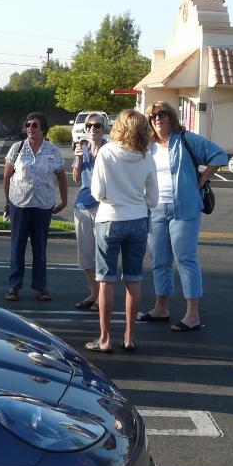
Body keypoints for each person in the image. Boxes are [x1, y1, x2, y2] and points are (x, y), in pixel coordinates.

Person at [138, 100, 227, 332]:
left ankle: (192, 315)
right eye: (153, 115)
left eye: (162, 114)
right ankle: (161, 307)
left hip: (184, 208)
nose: (158, 119)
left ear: (171, 117)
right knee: (159, 259)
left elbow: (219, 156)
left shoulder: (187, 139)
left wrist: (201, 180)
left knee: (186, 260)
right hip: (155, 208)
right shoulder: (148, 145)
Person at [85, 110, 158, 354]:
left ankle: (104, 339)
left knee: (106, 280)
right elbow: (154, 199)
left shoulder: (107, 152)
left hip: (109, 219)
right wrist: (136, 198)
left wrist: (111, 196)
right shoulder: (146, 156)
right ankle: (129, 337)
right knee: (134, 278)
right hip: (137, 220)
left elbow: (97, 192)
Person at [3, 112, 68, 301]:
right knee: (17, 246)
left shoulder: (53, 150)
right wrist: (7, 201)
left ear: (43, 129)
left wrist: (64, 200)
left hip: (43, 204)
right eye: (28, 125)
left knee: (40, 247)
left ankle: (41, 287)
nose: (30, 128)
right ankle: (14, 287)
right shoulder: (17, 149)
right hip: (20, 203)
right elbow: (7, 176)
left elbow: (62, 176)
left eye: (34, 125)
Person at [72, 113, 108, 311]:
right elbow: (76, 178)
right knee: (86, 254)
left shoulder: (109, 150)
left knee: (102, 252)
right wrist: (78, 158)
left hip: (104, 206)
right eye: (89, 126)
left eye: (97, 126)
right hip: (83, 206)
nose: (93, 129)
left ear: (104, 129)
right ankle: (94, 293)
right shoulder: (83, 150)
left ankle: (103, 296)